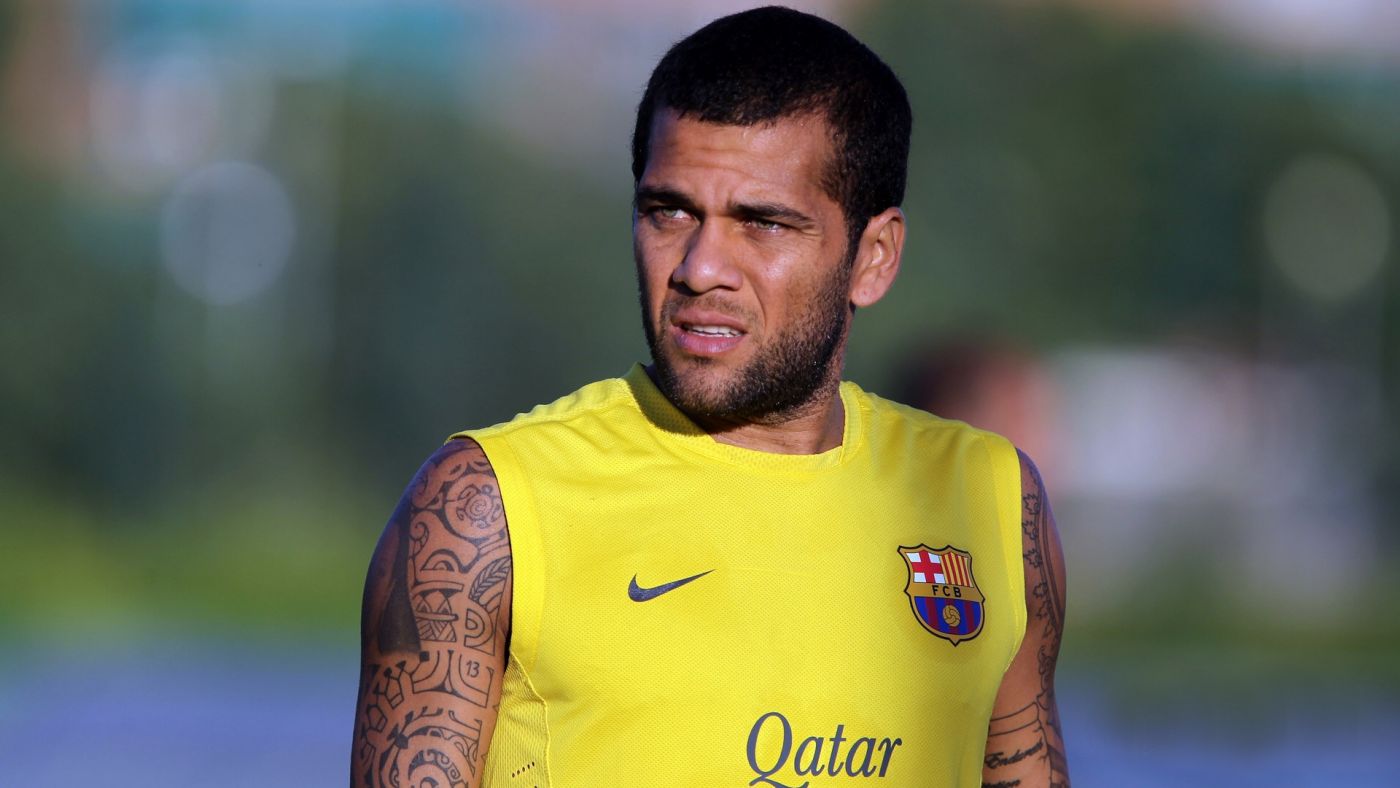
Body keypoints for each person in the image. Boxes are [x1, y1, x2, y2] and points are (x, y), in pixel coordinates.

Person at [351, 6, 1069, 787]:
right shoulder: (483, 508)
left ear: (874, 258)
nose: (700, 268)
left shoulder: (990, 502)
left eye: (762, 223)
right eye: (670, 212)